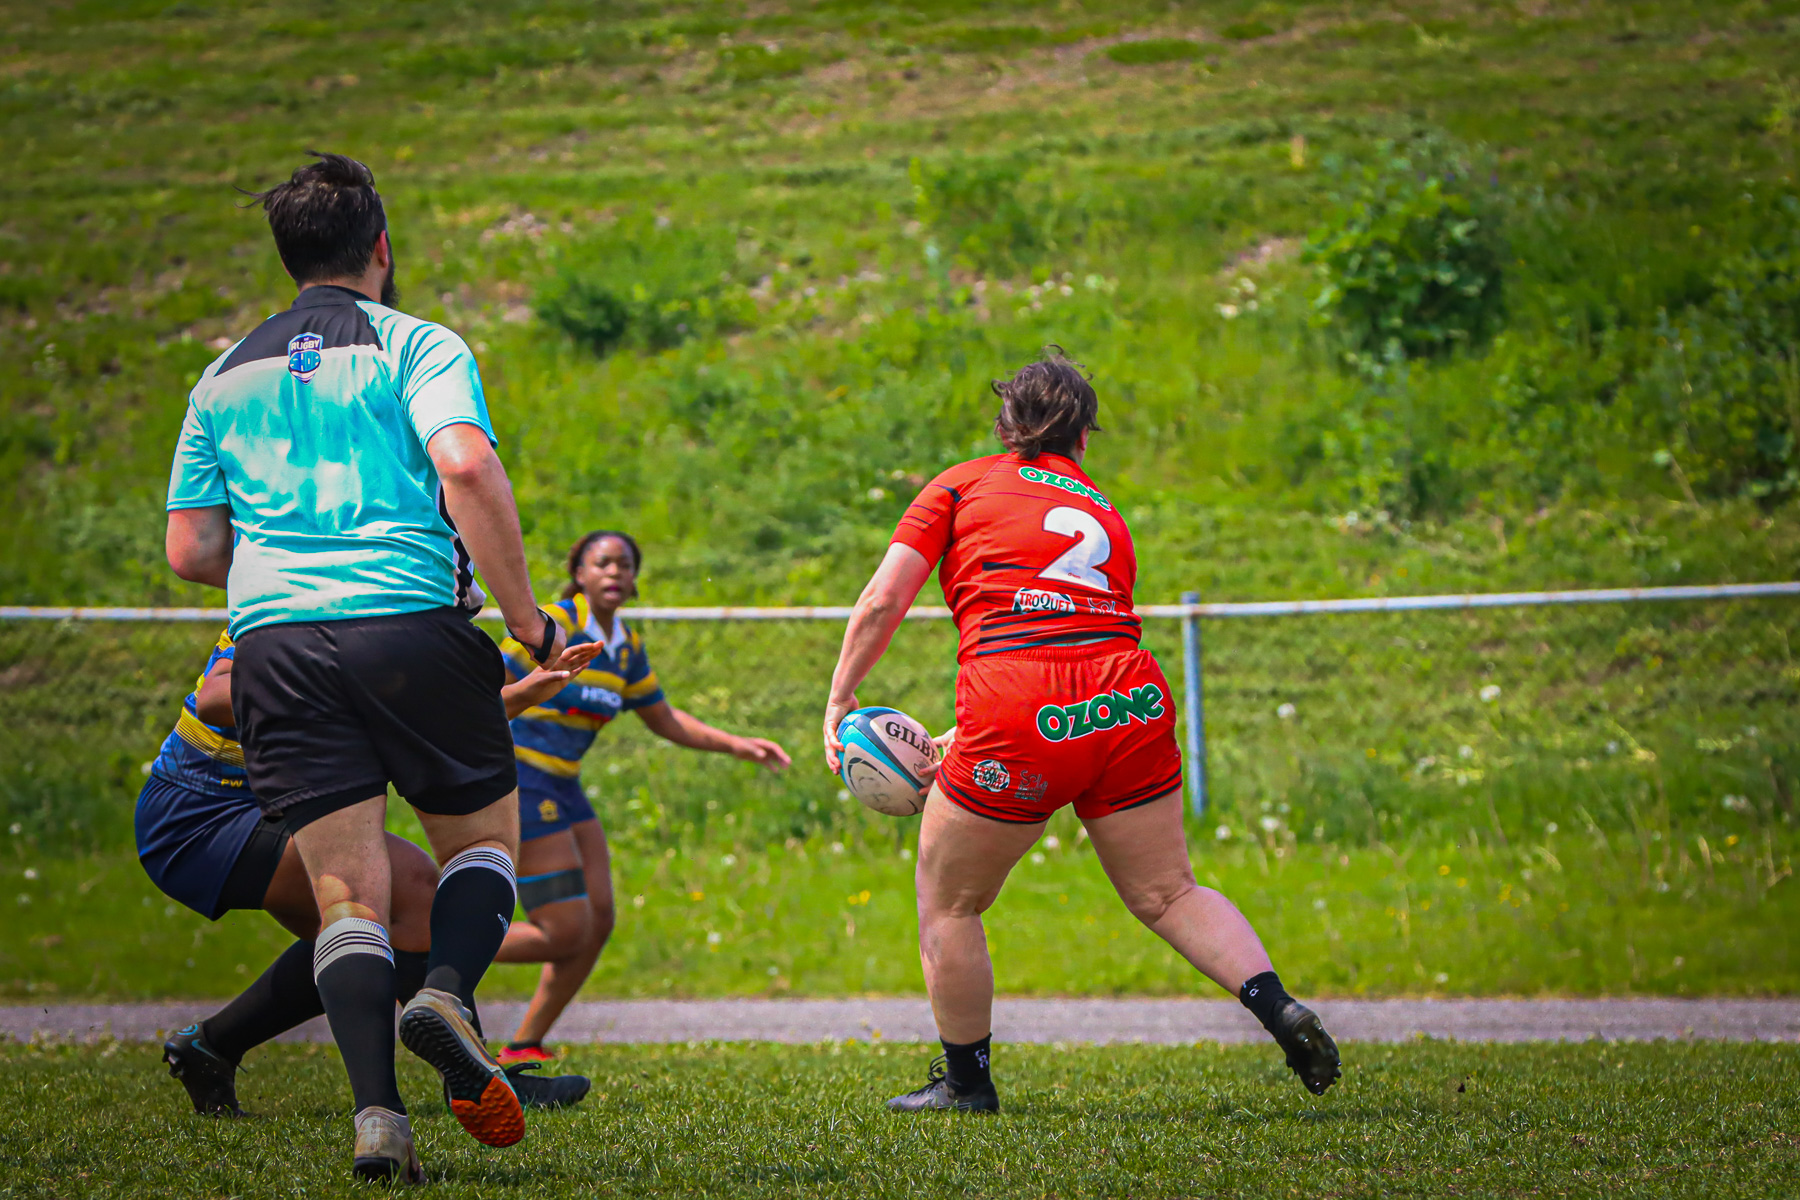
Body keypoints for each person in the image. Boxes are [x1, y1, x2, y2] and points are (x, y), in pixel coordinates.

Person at [164, 152, 568, 1182]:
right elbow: (466, 464)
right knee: (481, 847)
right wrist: (524, 616)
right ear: (382, 248)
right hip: (409, 626)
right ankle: (445, 993)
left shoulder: (222, 375)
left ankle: (377, 1119)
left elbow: (192, 553)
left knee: (348, 897)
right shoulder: (416, 344)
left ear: (286, 255)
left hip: (276, 645)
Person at [822, 348, 1341, 1113]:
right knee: (1168, 893)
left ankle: (966, 1085)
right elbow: (1074, 646)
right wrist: (975, 731)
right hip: (1130, 696)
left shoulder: (961, 483)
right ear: (1084, 438)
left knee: (951, 903)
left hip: (1018, 700)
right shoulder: (1101, 508)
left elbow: (882, 601)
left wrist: (840, 699)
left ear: (1006, 427)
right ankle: (1275, 1005)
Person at [140, 628, 601, 1118]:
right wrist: (350, 691)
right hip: (202, 813)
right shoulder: (298, 598)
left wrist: (521, 693)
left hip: (269, 805)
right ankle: (463, 1083)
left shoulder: (392, 614)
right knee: (406, 899)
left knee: (383, 924)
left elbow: (419, 720)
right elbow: (215, 698)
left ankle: (213, 1047)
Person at [489, 530, 791, 1059]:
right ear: (579, 573)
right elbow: (481, 690)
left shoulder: (623, 648)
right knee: (564, 932)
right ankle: (422, 949)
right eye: (601, 563)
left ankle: (525, 1044)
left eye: (624, 565)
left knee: (598, 920)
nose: (614, 572)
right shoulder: (547, 627)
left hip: (563, 783)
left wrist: (738, 745)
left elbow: (665, 720)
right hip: (517, 777)